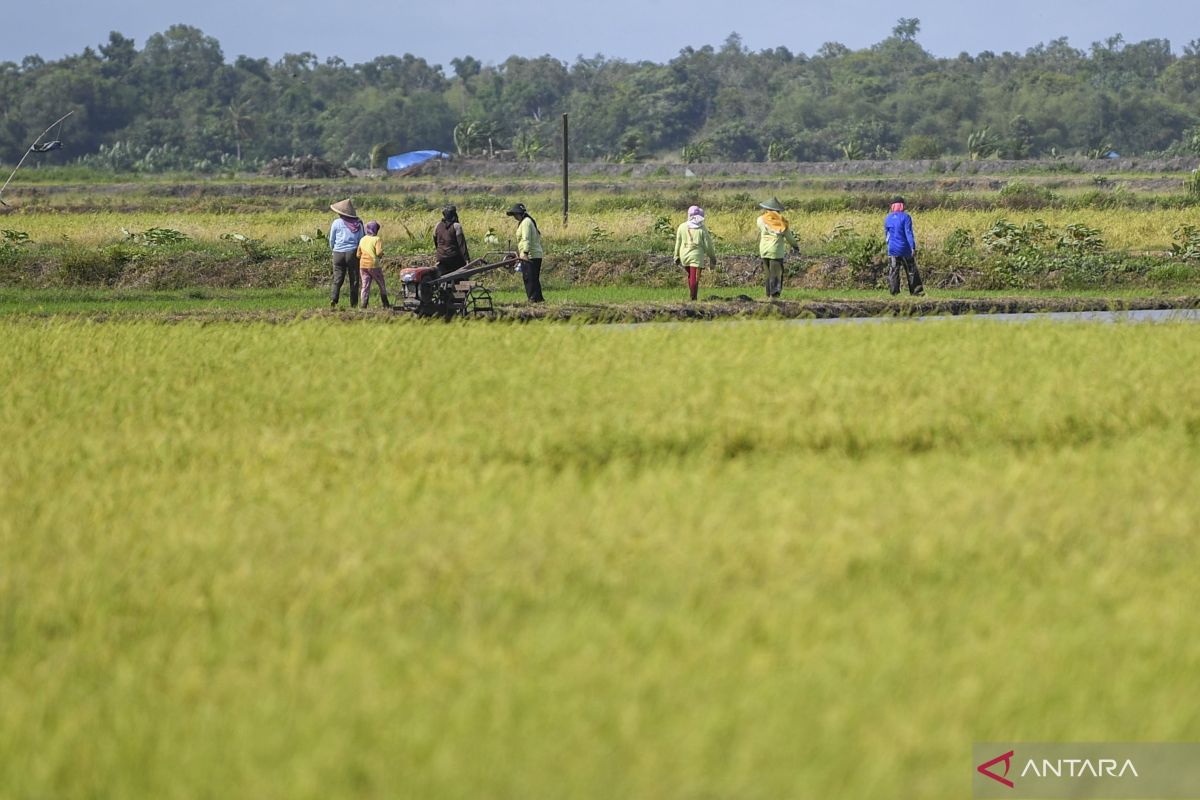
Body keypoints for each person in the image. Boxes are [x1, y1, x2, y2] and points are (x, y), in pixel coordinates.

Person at [756, 196, 800, 299]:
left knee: (768, 274)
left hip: (764, 251)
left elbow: (762, 224)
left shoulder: (761, 220)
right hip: (775, 252)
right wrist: (795, 246)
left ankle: (768, 296)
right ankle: (774, 298)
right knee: (776, 275)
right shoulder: (782, 224)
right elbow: (790, 238)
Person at [674, 205, 717, 301]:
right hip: (696, 257)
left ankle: (692, 296)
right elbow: (708, 245)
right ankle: (693, 298)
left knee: (690, 275)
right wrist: (712, 257)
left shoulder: (682, 227)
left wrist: (676, 255)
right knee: (695, 278)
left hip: (684, 255)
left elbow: (678, 242)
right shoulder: (702, 229)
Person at [884, 196, 925, 296]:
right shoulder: (906, 217)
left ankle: (894, 293)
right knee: (911, 270)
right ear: (902, 205)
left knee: (893, 270)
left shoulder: (888, 218)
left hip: (892, 249)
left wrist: (889, 246)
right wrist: (912, 247)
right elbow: (908, 233)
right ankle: (916, 291)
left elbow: (887, 235)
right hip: (904, 248)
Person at [328, 198, 364, 307]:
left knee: (338, 278)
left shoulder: (336, 223)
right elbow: (361, 239)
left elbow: (331, 239)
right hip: (352, 253)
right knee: (354, 279)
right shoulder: (358, 224)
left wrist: (333, 249)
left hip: (338, 253)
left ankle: (334, 299)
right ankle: (353, 304)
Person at [506, 203, 544, 302]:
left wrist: (525, 253)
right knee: (532, 278)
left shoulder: (526, 222)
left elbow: (526, 239)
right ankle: (538, 299)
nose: (514, 217)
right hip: (531, 254)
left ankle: (533, 299)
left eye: (515, 214)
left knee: (530, 278)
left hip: (531, 255)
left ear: (520, 214)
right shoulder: (524, 222)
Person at [357, 221, 390, 308]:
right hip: (373, 265)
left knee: (365, 285)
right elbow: (378, 252)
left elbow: (358, 254)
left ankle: (363, 304)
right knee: (381, 283)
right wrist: (382, 254)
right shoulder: (377, 239)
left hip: (362, 265)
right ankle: (385, 303)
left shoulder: (362, 239)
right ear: (375, 230)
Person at [433, 205, 471, 276]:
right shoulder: (456, 226)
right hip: (453, 258)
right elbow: (462, 245)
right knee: (461, 268)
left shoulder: (437, 225)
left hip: (440, 257)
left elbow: (436, 242)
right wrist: (467, 259)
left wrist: (440, 252)